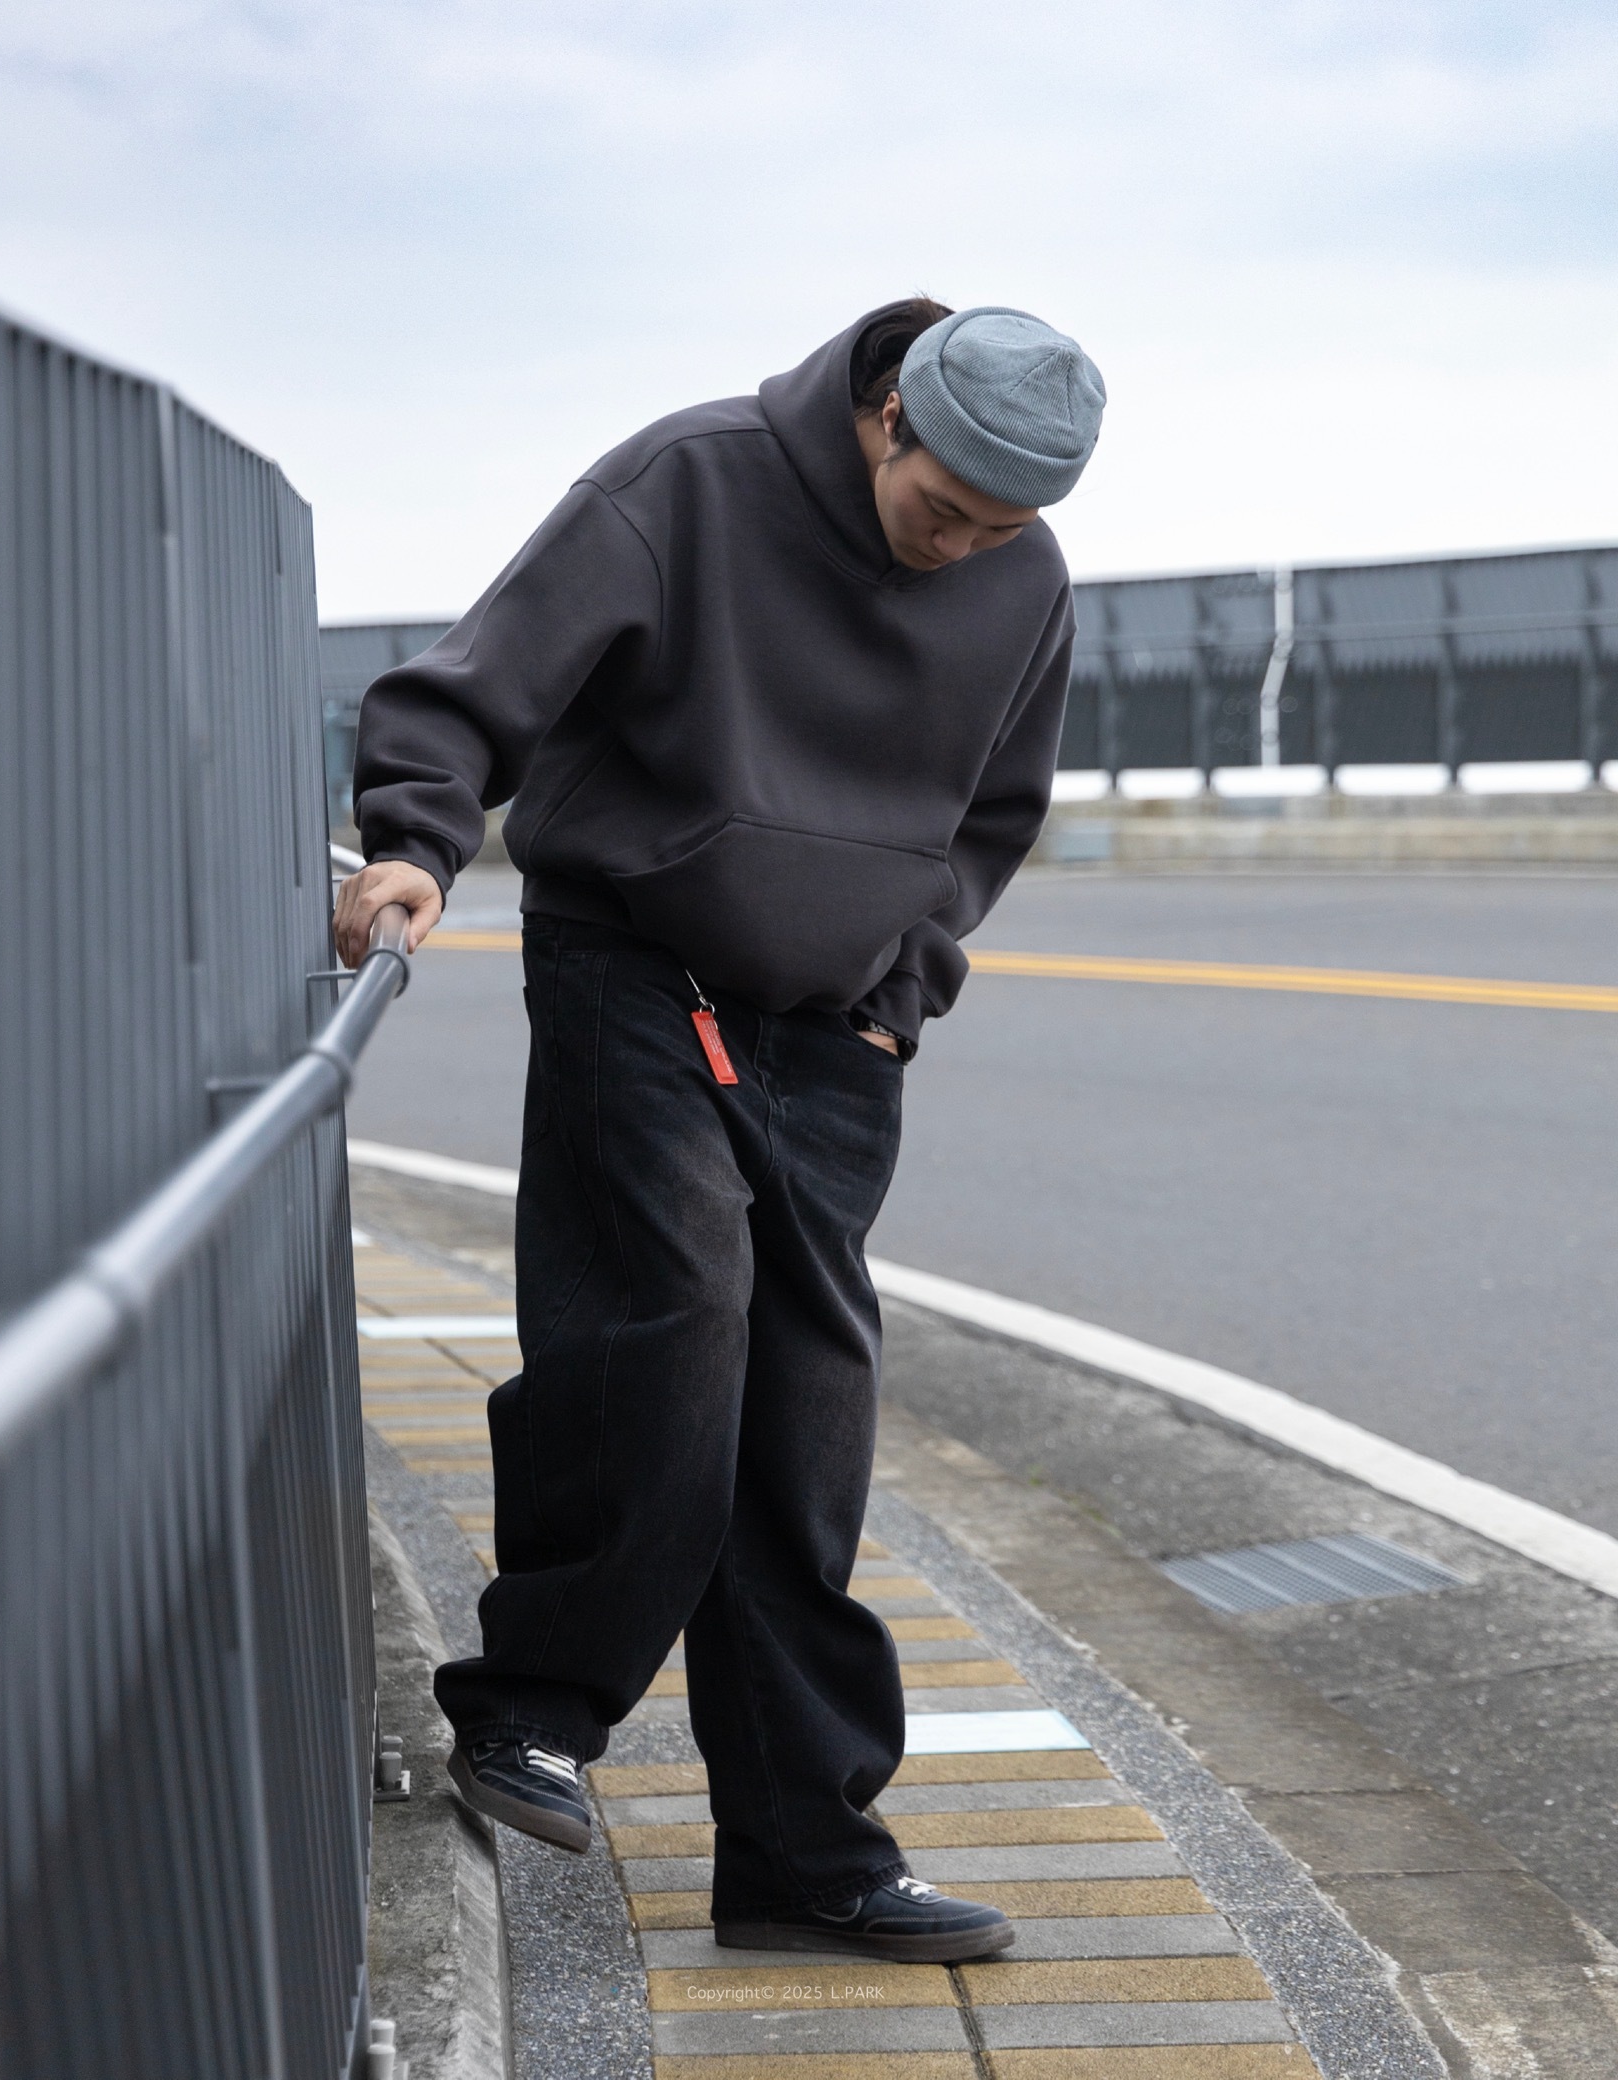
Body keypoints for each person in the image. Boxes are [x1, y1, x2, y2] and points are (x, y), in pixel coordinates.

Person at [335, 298, 1105, 1963]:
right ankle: (532, 1704)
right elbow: (478, 683)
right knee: (672, 1324)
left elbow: (993, 814)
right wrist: (415, 838)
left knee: (807, 1420)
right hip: (637, 964)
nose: (964, 548)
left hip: (836, 1023)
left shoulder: (1025, 578)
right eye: (945, 508)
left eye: (1002, 529)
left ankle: (803, 1858)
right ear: (889, 417)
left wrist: (903, 990)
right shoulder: (689, 481)